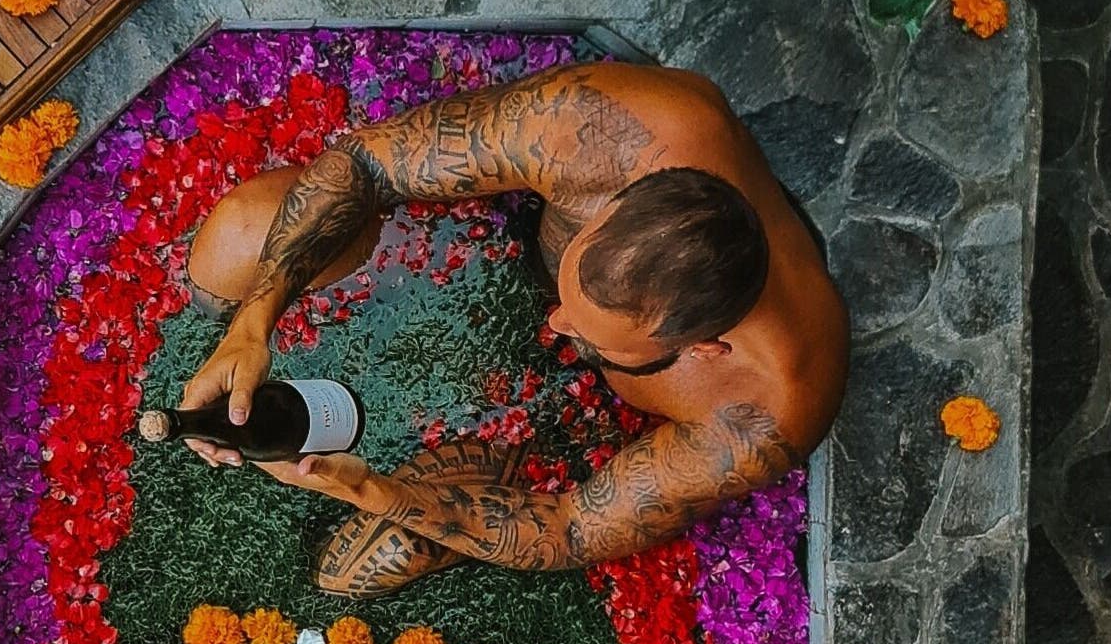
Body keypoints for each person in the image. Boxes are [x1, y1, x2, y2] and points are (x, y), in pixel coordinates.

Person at [179, 61, 848, 597]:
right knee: (233, 243)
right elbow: (364, 163)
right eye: (572, 288)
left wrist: (367, 489)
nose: (555, 324)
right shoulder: (601, 128)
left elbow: (571, 530)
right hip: (495, 250)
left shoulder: (765, 409)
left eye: (593, 338)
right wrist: (252, 324)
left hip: (549, 419)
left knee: (367, 562)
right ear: (614, 202)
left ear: (700, 349)